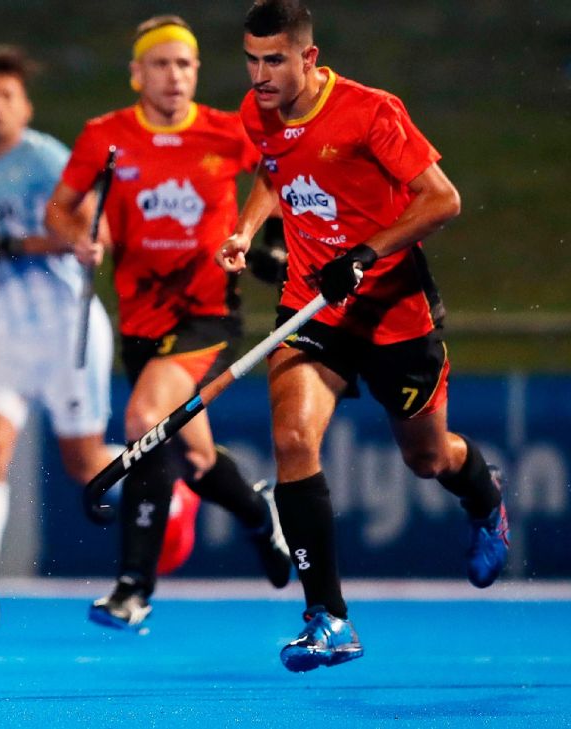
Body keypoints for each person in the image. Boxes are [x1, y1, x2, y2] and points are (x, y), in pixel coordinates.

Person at [217, 0, 509, 672]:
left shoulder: (370, 111)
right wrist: (246, 228)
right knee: (293, 439)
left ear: (309, 57)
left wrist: (365, 253)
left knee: (427, 458)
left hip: (393, 313)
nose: (260, 76)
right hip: (311, 309)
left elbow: (443, 199)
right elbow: (272, 167)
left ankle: (485, 495)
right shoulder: (258, 110)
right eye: (252, 61)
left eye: (274, 61)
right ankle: (328, 618)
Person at [45, 15, 293, 632]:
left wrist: (256, 235)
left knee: (145, 421)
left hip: (208, 315)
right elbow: (60, 210)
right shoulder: (105, 136)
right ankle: (259, 510)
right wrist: (80, 239)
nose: (174, 75)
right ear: (137, 74)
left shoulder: (226, 131)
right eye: (161, 64)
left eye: (184, 64)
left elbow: (278, 175)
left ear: (197, 72)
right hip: (141, 322)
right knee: (196, 456)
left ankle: (134, 586)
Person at [0, 45, 119, 628]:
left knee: (85, 464)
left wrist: (7, 247)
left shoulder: (48, 159)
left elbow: (93, 233)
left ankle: (169, 485)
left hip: (68, 325)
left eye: (7, 95)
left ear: (26, 106)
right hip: (10, 327)